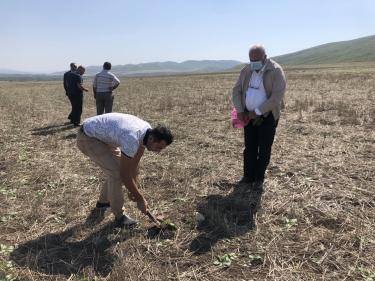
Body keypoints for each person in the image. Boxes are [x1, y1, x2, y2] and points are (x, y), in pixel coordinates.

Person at [76, 113, 174, 228]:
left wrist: (134, 188)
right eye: (159, 147)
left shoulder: (146, 132)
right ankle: (119, 216)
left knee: (117, 168)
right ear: (151, 138)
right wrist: (140, 199)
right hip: (88, 137)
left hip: (104, 137)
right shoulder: (132, 138)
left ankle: (103, 202)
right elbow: (124, 174)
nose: (158, 151)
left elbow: (135, 162)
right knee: (116, 173)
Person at [232, 44, 286, 191]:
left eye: (257, 60)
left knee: (264, 148)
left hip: (267, 116)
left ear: (265, 58)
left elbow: (276, 97)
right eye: (251, 60)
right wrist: (240, 110)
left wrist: (259, 111)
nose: (253, 63)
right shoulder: (246, 70)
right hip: (248, 116)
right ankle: (247, 177)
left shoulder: (275, 71)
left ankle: (259, 179)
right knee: (249, 147)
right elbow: (236, 91)